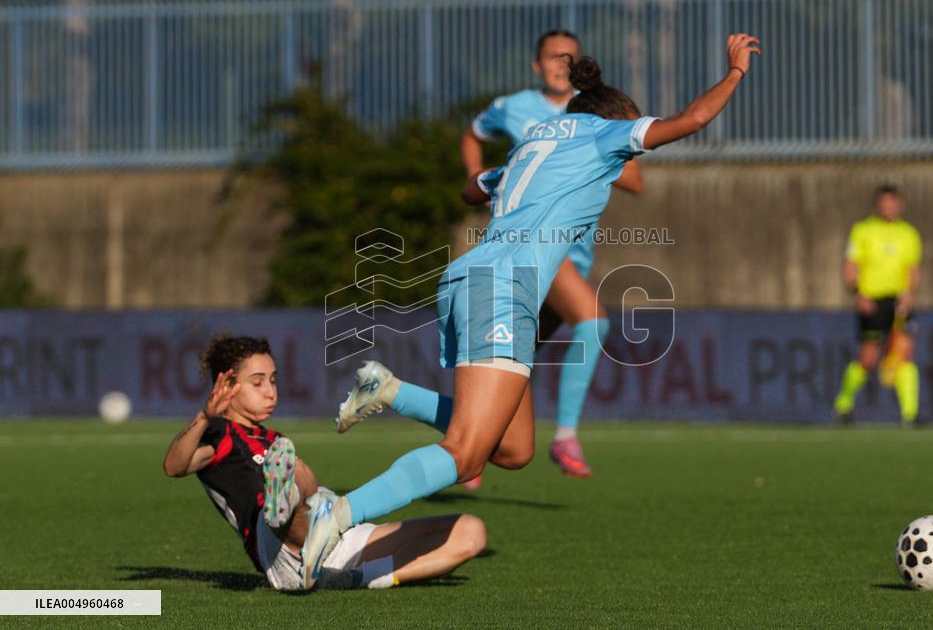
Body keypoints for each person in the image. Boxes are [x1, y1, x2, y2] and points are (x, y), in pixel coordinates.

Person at [322, 34, 761, 581]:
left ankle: (389, 391)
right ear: (613, 117)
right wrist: (737, 71)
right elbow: (694, 118)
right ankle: (336, 513)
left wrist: (503, 188)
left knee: (512, 450)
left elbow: (470, 192)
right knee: (465, 455)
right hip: (506, 289)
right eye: (629, 124)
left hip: (470, 279)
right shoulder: (603, 133)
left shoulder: (532, 142)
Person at [162, 335, 486, 591]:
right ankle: (287, 500)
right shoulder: (219, 431)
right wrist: (205, 415)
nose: (270, 391)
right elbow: (175, 466)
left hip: (329, 542)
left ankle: (351, 576)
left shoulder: (270, 436)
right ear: (228, 386)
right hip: (279, 550)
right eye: (258, 382)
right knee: (295, 468)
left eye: (273, 380)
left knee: (470, 533)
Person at [460, 29, 644, 479]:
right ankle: (565, 437)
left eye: (570, 58)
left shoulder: (596, 116)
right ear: (536, 66)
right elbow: (472, 135)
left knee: (514, 359)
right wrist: (479, 178)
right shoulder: (514, 107)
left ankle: (470, 441)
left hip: (572, 253)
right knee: (593, 319)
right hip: (531, 246)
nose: (561, 65)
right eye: (553, 57)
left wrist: (581, 152)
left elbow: (636, 181)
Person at [834, 185, 923, 425]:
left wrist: (909, 294)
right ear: (877, 205)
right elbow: (851, 265)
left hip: (898, 302)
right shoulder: (863, 230)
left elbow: (912, 269)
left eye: (892, 203)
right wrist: (858, 294)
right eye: (883, 204)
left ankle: (910, 415)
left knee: (904, 354)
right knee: (868, 359)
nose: (888, 208)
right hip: (872, 301)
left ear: (899, 204)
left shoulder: (909, 233)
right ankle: (843, 404)